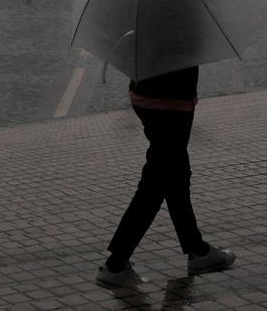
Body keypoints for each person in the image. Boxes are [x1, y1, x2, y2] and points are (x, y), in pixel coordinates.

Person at [96, 65, 236, 288]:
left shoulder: (146, 28)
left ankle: (197, 250)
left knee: (175, 173)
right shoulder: (174, 29)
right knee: (156, 183)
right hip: (171, 99)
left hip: (146, 92)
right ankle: (116, 264)